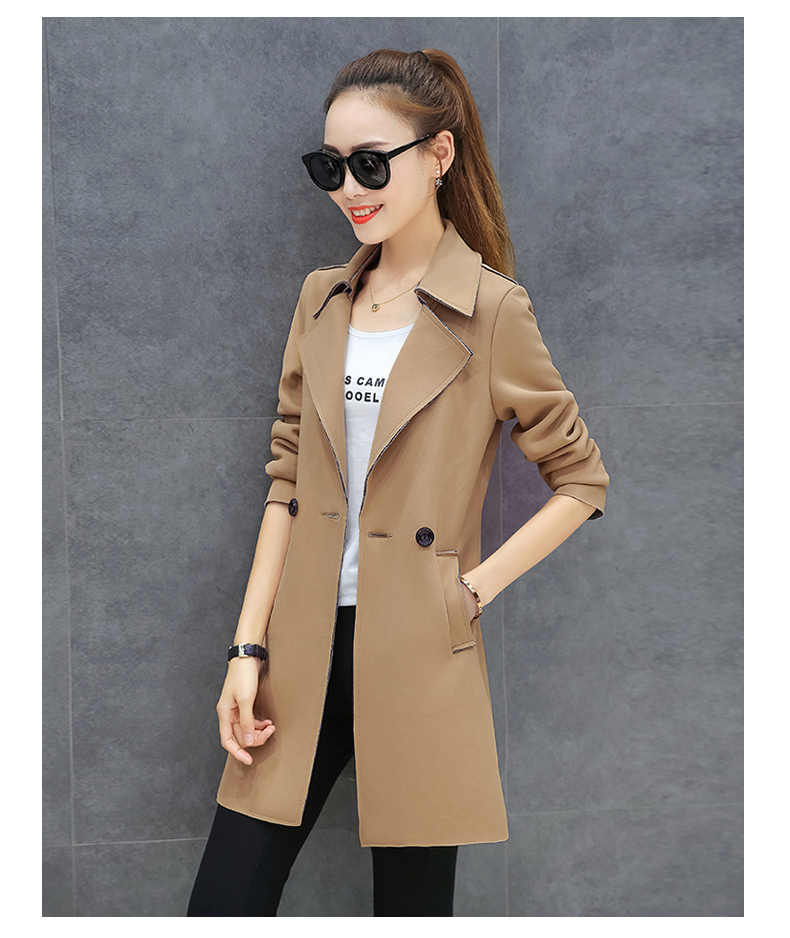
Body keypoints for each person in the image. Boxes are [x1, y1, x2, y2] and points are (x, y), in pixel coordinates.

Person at [187, 47, 610, 917]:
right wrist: (246, 648)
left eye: (371, 164)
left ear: (439, 154)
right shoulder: (320, 301)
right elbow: (286, 480)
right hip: (300, 648)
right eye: (330, 168)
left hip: (418, 647)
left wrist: (467, 593)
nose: (349, 189)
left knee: (413, 914)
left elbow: (581, 479)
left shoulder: (491, 310)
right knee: (224, 904)